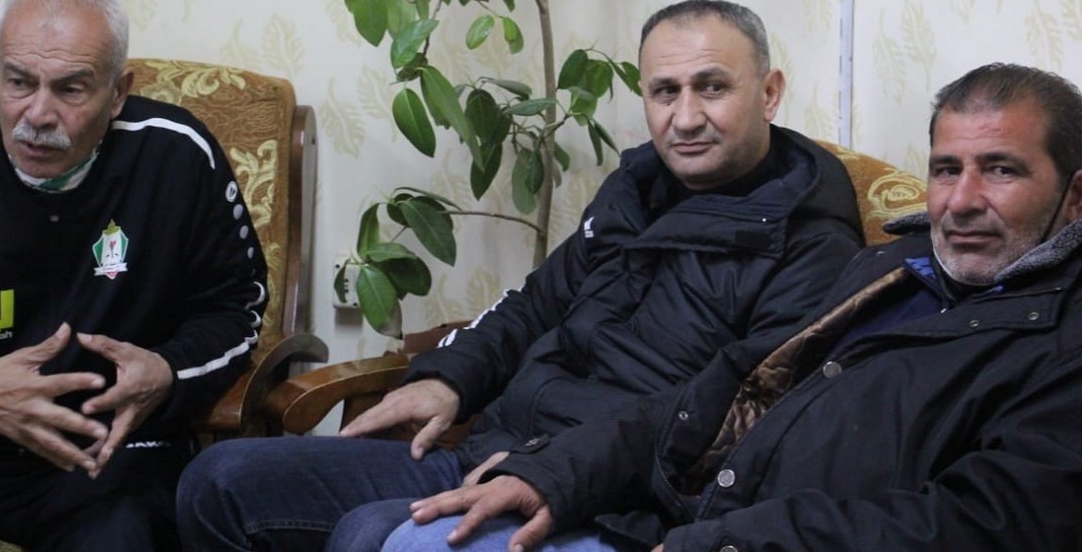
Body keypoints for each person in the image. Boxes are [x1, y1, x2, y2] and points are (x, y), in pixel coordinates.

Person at [177, 0, 867, 552]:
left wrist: (550, 471)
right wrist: (451, 377)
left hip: (613, 497)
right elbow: (538, 300)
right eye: (665, 92)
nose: (685, 118)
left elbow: (730, 414)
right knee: (219, 481)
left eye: (712, 88)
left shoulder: (812, 241)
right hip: (497, 446)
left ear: (769, 92)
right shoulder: (637, 187)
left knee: (373, 533)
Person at [390, 62, 1082, 552]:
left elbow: (981, 523)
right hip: (684, 514)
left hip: (737, 536)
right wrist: (555, 474)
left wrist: (728, 541)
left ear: (1074, 195)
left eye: (1001, 170)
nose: (960, 202)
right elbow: (722, 390)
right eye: (945, 169)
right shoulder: (893, 267)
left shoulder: (1062, 336)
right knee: (421, 534)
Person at [0, 0, 267, 551]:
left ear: (118, 92)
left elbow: (235, 308)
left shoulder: (175, 155)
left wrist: (169, 370)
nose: (38, 114)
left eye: (71, 89)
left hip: (102, 456)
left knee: (127, 532)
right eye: (19, 82)